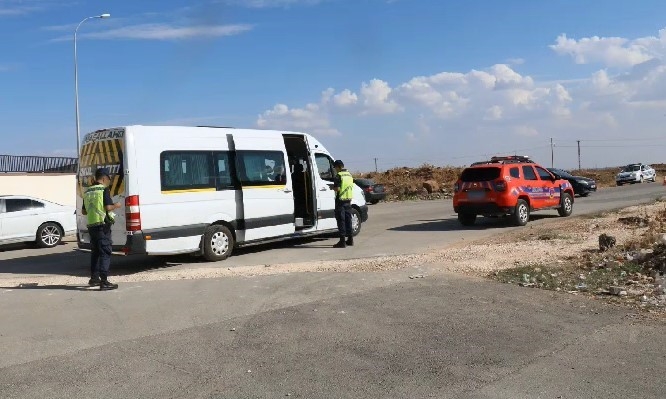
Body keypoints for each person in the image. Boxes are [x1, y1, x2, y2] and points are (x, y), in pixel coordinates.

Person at [81, 168, 121, 290]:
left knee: (96, 253)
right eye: (109, 179)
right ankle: (104, 282)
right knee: (105, 252)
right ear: (104, 178)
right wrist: (116, 205)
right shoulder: (103, 190)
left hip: (92, 226)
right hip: (102, 226)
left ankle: (94, 279)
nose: (109, 181)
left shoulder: (88, 191)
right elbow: (108, 207)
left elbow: (84, 211)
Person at [332, 160, 354, 248]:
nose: (335, 170)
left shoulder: (339, 176)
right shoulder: (349, 175)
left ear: (338, 167)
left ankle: (342, 242)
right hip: (348, 200)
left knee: (341, 220)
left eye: (335, 168)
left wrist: (332, 187)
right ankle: (350, 239)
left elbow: (337, 189)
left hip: (340, 201)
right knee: (348, 220)